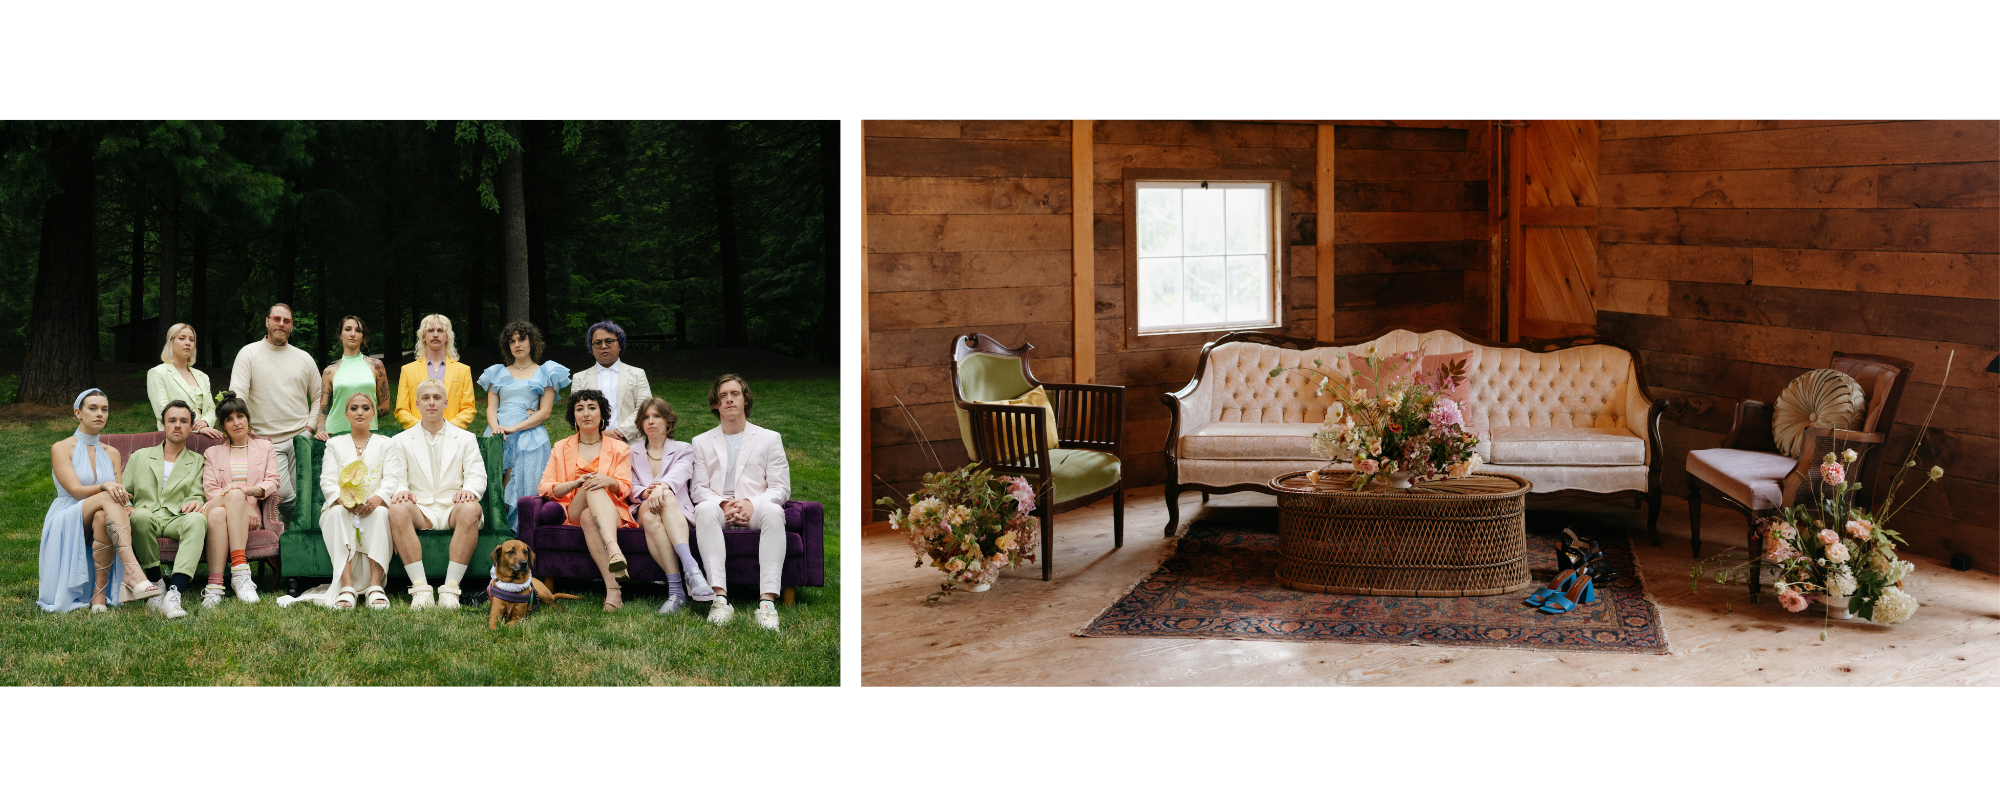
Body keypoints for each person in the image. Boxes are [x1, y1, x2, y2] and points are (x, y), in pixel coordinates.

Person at [38, 389, 164, 612]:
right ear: (78, 412)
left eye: (104, 409)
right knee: (106, 497)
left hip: (101, 513)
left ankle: (98, 598)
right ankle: (132, 571)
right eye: (92, 408)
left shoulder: (112, 452)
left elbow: (119, 494)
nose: (100, 414)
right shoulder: (60, 448)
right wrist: (105, 486)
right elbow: (76, 491)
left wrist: (127, 506)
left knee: (101, 516)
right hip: (67, 514)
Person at [689, 374, 791, 631]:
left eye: (735, 394)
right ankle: (720, 599)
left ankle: (767, 604)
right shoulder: (701, 442)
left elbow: (780, 487)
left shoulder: (770, 438)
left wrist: (751, 503)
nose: (729, 399)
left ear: (745, 399)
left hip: (756, 509)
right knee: (704, 508)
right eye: (723, 396)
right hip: (719, 510)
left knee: (773, 510)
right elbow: (698, 488)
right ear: (716, 405)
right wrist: (724, 504)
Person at [385, 379, 486, 610]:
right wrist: (401, 490)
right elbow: (395, 476)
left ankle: (451, 589)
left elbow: (477, 475)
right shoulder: (400, 440)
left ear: (446, 403)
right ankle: (420, 589)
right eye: (426, 398)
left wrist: (469, 490)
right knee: (398, 509)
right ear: (417, 404)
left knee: (472, 508)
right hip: (420, 508)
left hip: (454, 506)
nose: (431, 402)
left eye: (437, 398)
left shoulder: (465, 438)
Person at [302, 392, 403, 610]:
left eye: (366, 408)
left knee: (383, 514)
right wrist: (343, 501)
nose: (360, 412)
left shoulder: (387, 444)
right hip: (340, 505)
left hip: (374, 505)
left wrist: (377, 500)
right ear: (346, 414)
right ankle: (346, 586)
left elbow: (392, 478)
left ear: (373, 413)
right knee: (336, 514)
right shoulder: (334, 444)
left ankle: (375, 586)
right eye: (354, 408)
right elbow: (327, 480)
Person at [538, 389, 635, 612]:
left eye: (592, 408)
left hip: (611, 513)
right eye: (579, 409)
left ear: (602, 415)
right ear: (574, 417)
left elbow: (625, 488)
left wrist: (607, 480)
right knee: (590, 486)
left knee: (589, 515)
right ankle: (614, 549)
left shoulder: (620, 448)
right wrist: (575, 484)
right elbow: (544, 487)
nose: (586, 413)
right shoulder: (561, 447)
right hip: (573, 509)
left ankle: (613, 592)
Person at [228, 303, 319, 512]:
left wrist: (310, 428)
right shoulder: (249, 353)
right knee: (284, 496)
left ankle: (295, 538)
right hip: (266, 441)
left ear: (292, 326)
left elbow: (319, 397)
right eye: (276, 319)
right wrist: (246, 432)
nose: (281, 324)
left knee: (305, 493)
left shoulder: (304, 358)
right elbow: (238, 395)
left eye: (286, 321)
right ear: (267, 321)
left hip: (301, 438)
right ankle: (292, 535)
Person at [122, 400, 208, 619]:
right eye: (172, 420)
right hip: (146, 514)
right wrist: (128, 506)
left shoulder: (198, 461)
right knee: (140, 516)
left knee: (197, 520)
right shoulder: (139, 456)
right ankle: (155, 581)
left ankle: (174, 592)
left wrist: (197, 502)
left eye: (183, 421)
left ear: (191, 427)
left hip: (176, 517)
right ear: (163, 424)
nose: (177, 425)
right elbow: (124, 492)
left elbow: (198, 493)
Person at [479, 321, 570, 528]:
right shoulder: (497, 372)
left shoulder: (546, 371)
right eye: (512, 341)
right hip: (498, 433)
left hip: (529, 435)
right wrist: (495, 429)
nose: (517, 344)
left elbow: (545, 412)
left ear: (532, 341)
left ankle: (517, 534)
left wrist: (515, 428)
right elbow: (491, 408)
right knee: (493, 484)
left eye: (522, 339)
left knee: (519, 483)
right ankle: (493, 530)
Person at [199, 391, 282, 608]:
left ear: (247, 419)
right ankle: (240, 572)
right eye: (229, 419)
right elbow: (210, 489)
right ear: (223, 426)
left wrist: (246, 493)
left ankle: (214, 586)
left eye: (240, 416)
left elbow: (273, 481)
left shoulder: (265, 447)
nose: (236, 423)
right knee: (230, 496)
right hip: (221, 504)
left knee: (220, 512)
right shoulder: (212, 452)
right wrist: (245, 505)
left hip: (224, 513)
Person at [630, 397, 712, 615]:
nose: (651, 421)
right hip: (644, 506)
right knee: (653, 507)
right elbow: (630, 485)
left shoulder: (684, 449)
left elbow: (680, 475)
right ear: (640, 423)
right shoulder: (631, 452)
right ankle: (692, 570)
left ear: (668, 421)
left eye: (657, 416)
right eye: (646, 417)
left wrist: (661, 487)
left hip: (675, 511)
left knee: (653, 517)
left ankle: (676, 592)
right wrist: (646, 492)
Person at [394, 313, 478, 430]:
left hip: (452, 435)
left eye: (440, 330)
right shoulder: (408, 370)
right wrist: (419, 427)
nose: (435, 334)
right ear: (423, 336)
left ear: (447, 336)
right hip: (418, 436)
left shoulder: (463, 370)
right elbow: (401, 409)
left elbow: (469, 408)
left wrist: (449, 427)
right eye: (430, 330)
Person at [572, 321, 651, 443]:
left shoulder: (637, 374)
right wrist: (599, 433)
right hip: (593, 443)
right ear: (591, 348)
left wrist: (622, 433)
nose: (603, 346)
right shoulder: (580, 378)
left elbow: (645, 408)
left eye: (609, 341)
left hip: (630, 442)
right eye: (598, 342)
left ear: (620, 345)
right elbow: (577, 412)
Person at [315, 315, 391, 439]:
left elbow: (385, 406)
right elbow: (323, 410)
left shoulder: (376, 365)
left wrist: (363, 418)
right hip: (336, 432)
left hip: (367, 432)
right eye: (348, 329)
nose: (353, 334)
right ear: (340, 335)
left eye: (358, 330)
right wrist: (320, 430)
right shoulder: (329, 371)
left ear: (363, 337)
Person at [146, 323, 222, 439]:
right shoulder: (157, 373)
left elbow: (211, 408)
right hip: (175, 437)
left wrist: (206, 422)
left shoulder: (203, 376)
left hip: (206, 435)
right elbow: (163, 410)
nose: (188, 342)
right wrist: (195, 426)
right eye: (182, 338)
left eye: (191, 340)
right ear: (171, 342)